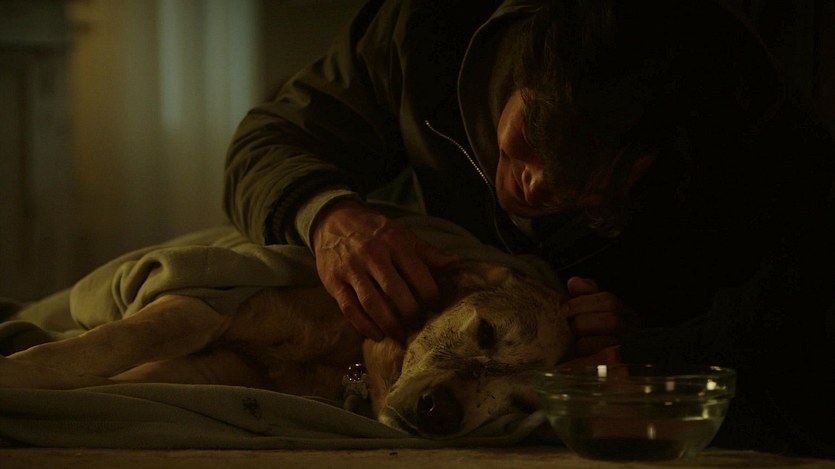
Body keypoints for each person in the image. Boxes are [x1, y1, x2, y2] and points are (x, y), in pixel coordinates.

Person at [224, 0, 834, 457]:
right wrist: (330, 216)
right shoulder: (425, 24)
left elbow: (799, 314)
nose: (535, 188)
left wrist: (663, 341)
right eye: (532, 136)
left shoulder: (742, 110)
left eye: (590, 185)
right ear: (530, 55)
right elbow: (271, 139)